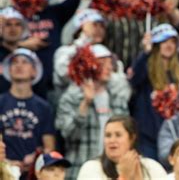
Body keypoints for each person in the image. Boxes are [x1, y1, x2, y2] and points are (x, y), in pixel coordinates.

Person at [55, 44, 131, 180]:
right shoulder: (71, 97)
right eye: (103, 63)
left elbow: (127, 137)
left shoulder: (117, 98)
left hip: (113, 172)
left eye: (110, 63)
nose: (109, 68)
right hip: (80, 170)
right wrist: (85, 103)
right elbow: (67, 134)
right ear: (88, 65)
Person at [130, 23, 179, 160]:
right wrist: (145, 52)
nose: (169, 45)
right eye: (164, 41)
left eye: (172, 41)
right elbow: (134, 79)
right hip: (148, 135)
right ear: (156, 45)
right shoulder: (145, 67)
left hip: (173, 133)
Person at [0, 48, 55, 177]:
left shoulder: (44, 107)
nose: (19, 65)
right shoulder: (0, 102)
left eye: (25, 62)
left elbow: (49, 146)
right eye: (15, 62)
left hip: (33, 174)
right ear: (9, 69)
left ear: (34, 71)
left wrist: (36, 158)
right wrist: (7, 163)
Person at [77, 115, 167, 179]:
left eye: (118, 135)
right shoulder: (91, 168)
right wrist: (124, 177)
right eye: (108, 135)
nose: (112, 140)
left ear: (132, 138)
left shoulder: (152, 167)